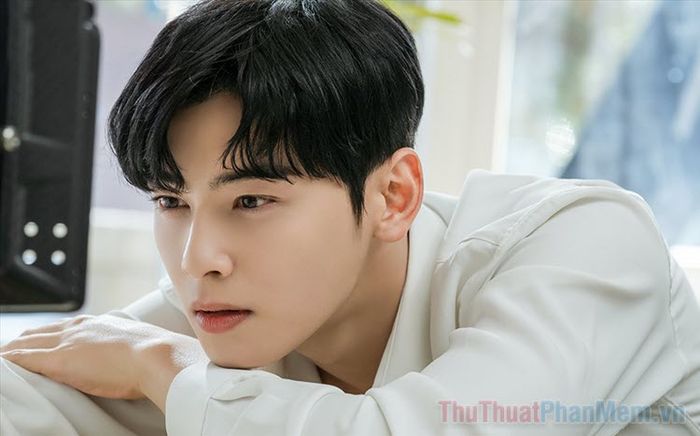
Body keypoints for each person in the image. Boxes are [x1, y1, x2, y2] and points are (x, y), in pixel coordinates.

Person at [1, 0, 699, 434]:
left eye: (252, 201)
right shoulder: (222, 308)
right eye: (171, 202)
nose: (197, 259)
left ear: (394, 196)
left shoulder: (584, 241)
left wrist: (162, 367)